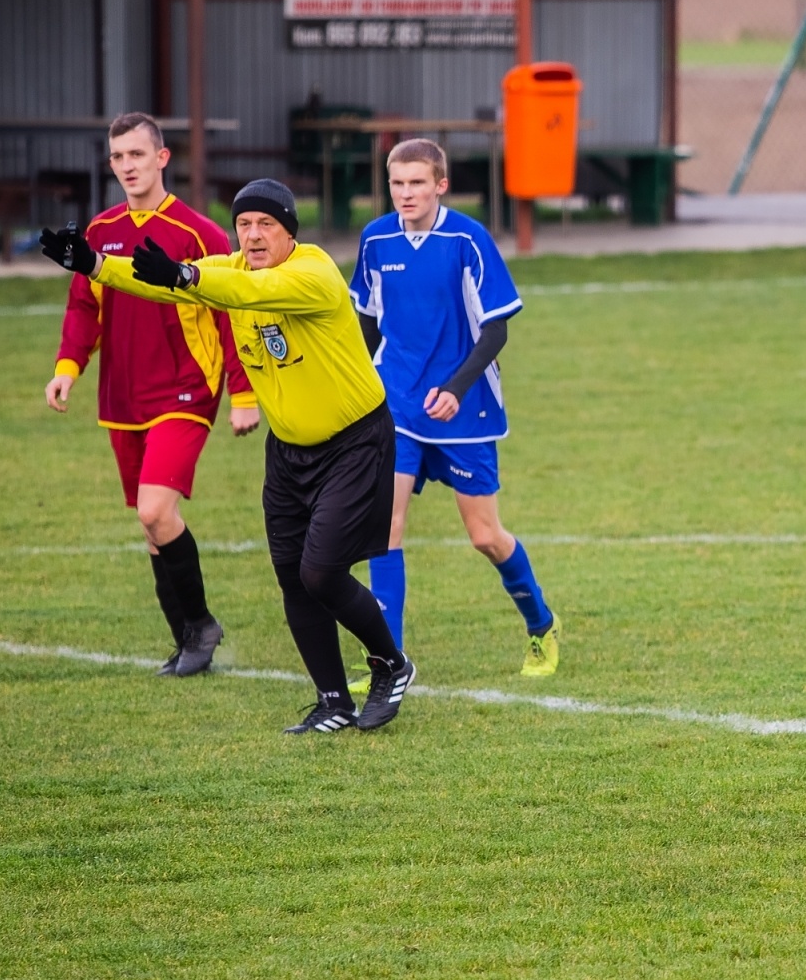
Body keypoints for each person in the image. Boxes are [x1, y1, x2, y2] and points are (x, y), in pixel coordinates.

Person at [39, 178, 416, 734]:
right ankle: (332, 701)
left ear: (290, 231)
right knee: (291, 576)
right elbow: (169, 285)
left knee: (321, 572)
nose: (254, 235)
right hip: (288, 450)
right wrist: (94, 265)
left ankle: (391, 663)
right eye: (244, 225)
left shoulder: (312, 273)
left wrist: (189, 275)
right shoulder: (234, 269)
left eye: (267, 224)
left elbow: (237, 292)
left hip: (354, 442)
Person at [45, 112, 259, 678]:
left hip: (186, 390)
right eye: (117, 157)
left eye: (137, 155)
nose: (127, 166)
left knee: (155, 509)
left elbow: (229, 313)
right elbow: (83, 305)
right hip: (122, 395)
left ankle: (202, 627)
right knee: (151, 526)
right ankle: (189, 637)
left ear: (162, 159)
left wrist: (243, 393)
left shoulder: (199, 234)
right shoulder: (99, 230)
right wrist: (69, 365)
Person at [346, 139, 560, 680]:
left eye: (417, 183)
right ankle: (386, 662)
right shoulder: (375, 240)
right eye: (397, 183)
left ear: (440, 184)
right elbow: (367, 323)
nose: (405, 193)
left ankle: (541, 625)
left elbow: (496, 328)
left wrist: (457, 388)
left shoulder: (467, 239)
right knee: (384, 528)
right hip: (396, 405)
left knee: (485, 535)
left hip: (464, 410)